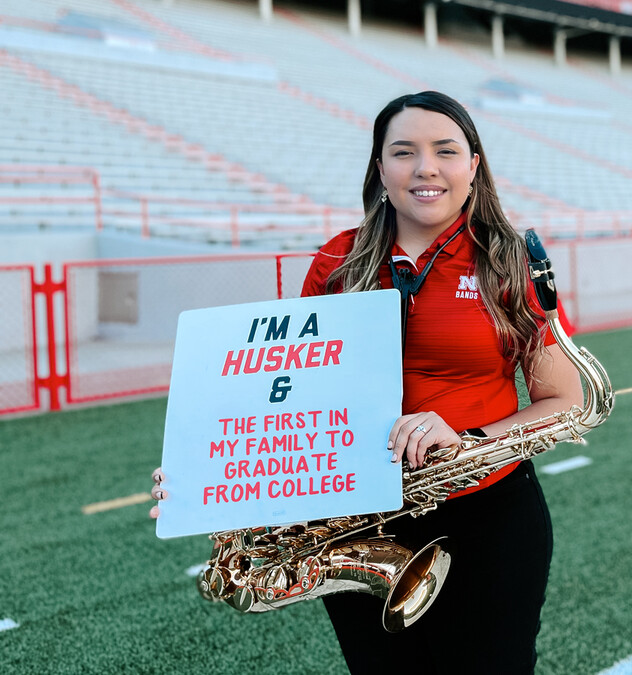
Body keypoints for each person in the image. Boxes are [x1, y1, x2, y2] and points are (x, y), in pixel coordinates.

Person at [151, 91, 583, 674]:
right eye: (403, 152)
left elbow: (566, 401)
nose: (425, 168)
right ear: (380, 168)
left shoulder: (508, 261)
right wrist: (201, 472)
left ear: (474, 166)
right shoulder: (338, 262)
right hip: (356, 526)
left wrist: (467, 439)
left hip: (488, 515)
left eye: (445, 151)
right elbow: (288, 396)